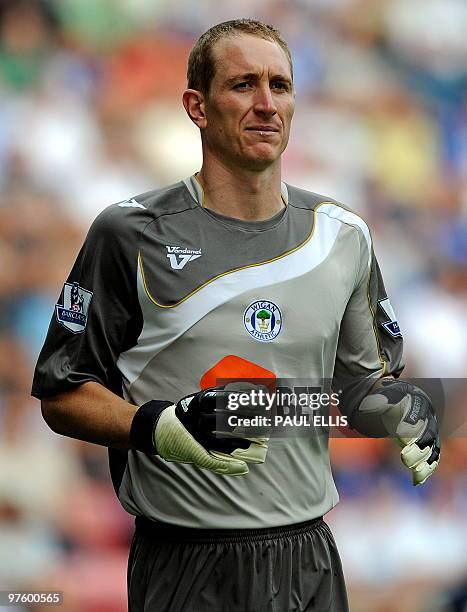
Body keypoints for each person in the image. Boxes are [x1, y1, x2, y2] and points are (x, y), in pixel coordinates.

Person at [32, 19, 440, 612]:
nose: (267, 104)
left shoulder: (344, 235)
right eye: (244, 85)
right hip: (184, 562)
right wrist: (160, 429)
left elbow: (360, 389)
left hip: (309, 560)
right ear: (196, 107)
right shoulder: (129, 234)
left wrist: (406, 410)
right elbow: (60, 394)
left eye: (281, 85)